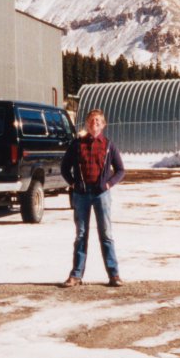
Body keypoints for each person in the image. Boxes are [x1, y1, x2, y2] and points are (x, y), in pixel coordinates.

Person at [60, 108, 125, 287]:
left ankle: (114, 275)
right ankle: (76, 275)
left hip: (101, 195)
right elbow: (64, 168)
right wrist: (73, 183)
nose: (94, 123)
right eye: (91, 120)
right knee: (81, 234)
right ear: (86, 124)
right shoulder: (77, 144)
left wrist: (108, 184)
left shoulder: (109, 145)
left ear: (103, 125)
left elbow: (120, 170)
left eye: (97, 121)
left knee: (106, 234)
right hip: (81, 195)